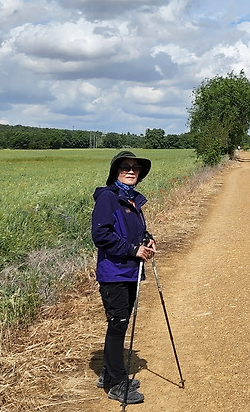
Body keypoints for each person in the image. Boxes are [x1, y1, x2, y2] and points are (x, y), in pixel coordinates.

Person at [91, 150, 156, 405]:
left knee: (119, 324)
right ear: (115, 172)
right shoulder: (108, 198)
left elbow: (133, 232)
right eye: (125, 167)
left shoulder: (132, 200)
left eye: (135, 168)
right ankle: (117, 384)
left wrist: (147, 239)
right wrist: (132, 250)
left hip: (129, 272)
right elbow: (101, 235)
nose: (131, 171)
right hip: (114, 273)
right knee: (117, 325)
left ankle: (110, 374)